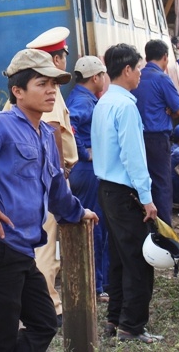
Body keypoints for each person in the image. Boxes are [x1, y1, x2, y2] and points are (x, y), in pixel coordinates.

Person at [0, 48, 98, 351]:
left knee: (44, 322)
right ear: (18, 91)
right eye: (42, 84)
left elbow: (56, 188)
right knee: (0, 337)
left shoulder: (44, 134)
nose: (51, 91)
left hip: (22, 251)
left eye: (54, 85)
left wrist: (76, 212)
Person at [3, 26, 76, 325]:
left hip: (37, 180)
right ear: (57, 58)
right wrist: (57, 173)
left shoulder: (33, 91)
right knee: (46, 249)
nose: (51, 87)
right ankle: (50, 308)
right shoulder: (47, 91)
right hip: (43, 180)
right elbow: (55, 131)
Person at [92, 43, 162, 344]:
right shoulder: (125, 106)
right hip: (125, 191)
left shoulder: (104, 102)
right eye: (139, 70)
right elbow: (134, 157)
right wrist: (147, 198)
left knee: (120, 257)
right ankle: (132, 326)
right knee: (138, 260)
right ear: (127, 70)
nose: (140, 76)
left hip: (107, 188)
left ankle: (115, 318)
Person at [66, 55, 110, 303]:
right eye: (103, 75)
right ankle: (94, 286)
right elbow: (70, 125)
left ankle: (96, 283)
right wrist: (84, 152)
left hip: (83, 170)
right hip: (86, 170)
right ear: (96, 77)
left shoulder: (79, 97)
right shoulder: (83, 101)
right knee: (93, 227)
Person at [131, 39, 179, 226]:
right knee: (161, 184)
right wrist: (167, 108)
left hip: (136, 138)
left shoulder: (137, 76)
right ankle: (163, 229)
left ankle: (144, 228)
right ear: (165, 57)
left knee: (139, 183)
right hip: (157, 139)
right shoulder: (161, 78)